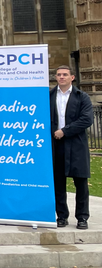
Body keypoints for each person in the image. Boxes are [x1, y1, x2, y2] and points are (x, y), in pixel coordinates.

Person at [50, 65, 94, 229]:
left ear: (72, 77)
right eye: (59, 75)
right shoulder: (49, 96)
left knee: (81, 182)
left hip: (76, 143)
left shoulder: (82, 97)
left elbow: (86, 119)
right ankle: (61, 216)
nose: (61, 77)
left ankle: (82, 217)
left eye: (65, 75)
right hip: (55, 144)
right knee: (58, 182)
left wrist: (65, 131)